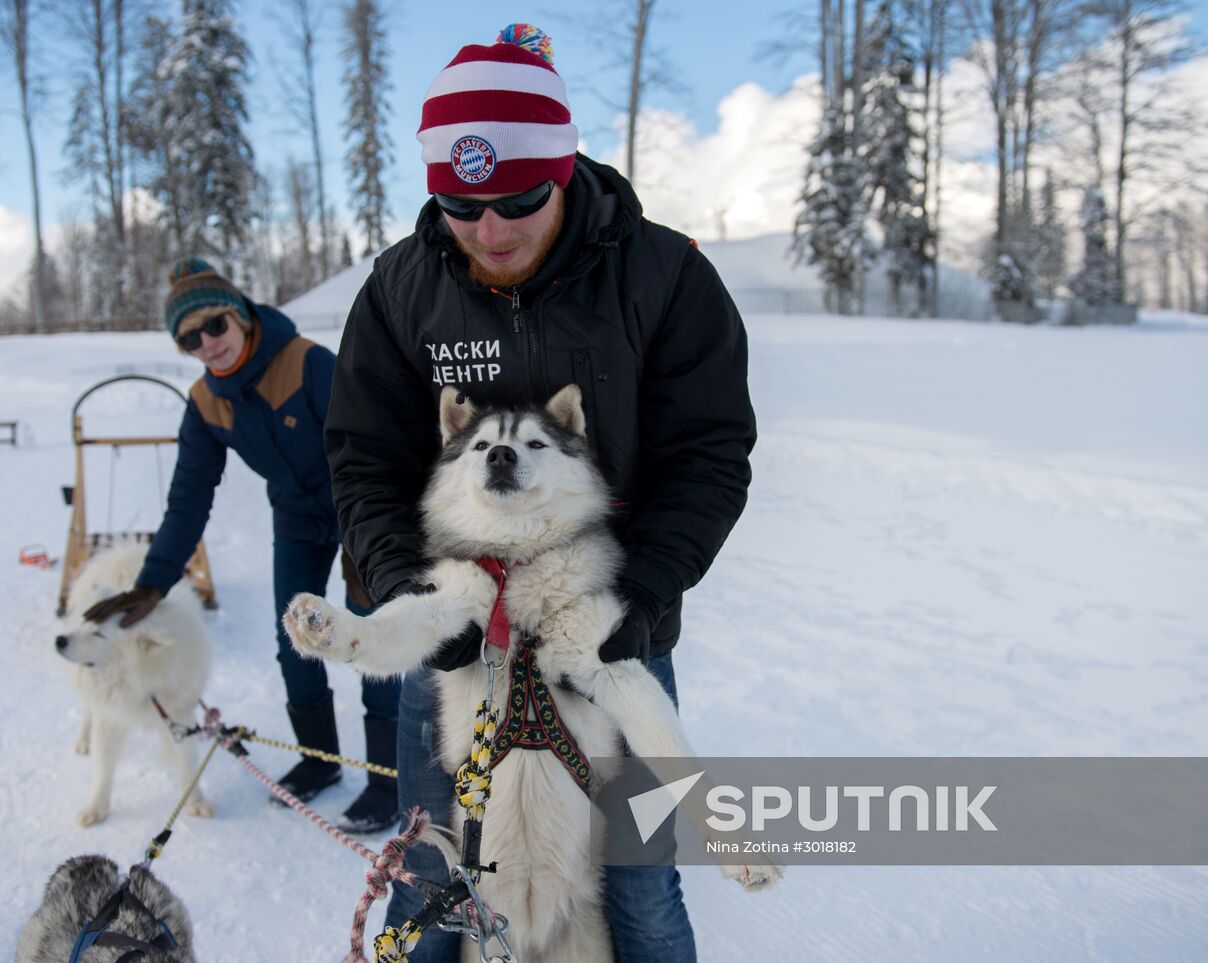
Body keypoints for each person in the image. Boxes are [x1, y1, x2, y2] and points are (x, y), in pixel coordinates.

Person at [323, 23, 756, 962]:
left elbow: (710, 452)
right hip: (456, 627)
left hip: (603, 619)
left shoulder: (665, 275)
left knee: (639, 888)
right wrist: (400, 585)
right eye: (460, 204)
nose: (490, 231)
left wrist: (647, 591)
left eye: (518, 199)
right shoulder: (400, 289)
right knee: (434, 879)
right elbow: (363, 458)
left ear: (562, 169)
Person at [83, 258, 401, 834]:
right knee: (297, 640)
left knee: (370, 636)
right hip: (297, 519)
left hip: (359, 508)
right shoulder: (206, 402)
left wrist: (369, 535)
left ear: (240, 315)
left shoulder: (305, 363)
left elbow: (370, 442)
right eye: (190, 338)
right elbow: (188, 499)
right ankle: (320, 760)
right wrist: (152, 583)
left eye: (215, 325)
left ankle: (388, 778)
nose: (208, 343)